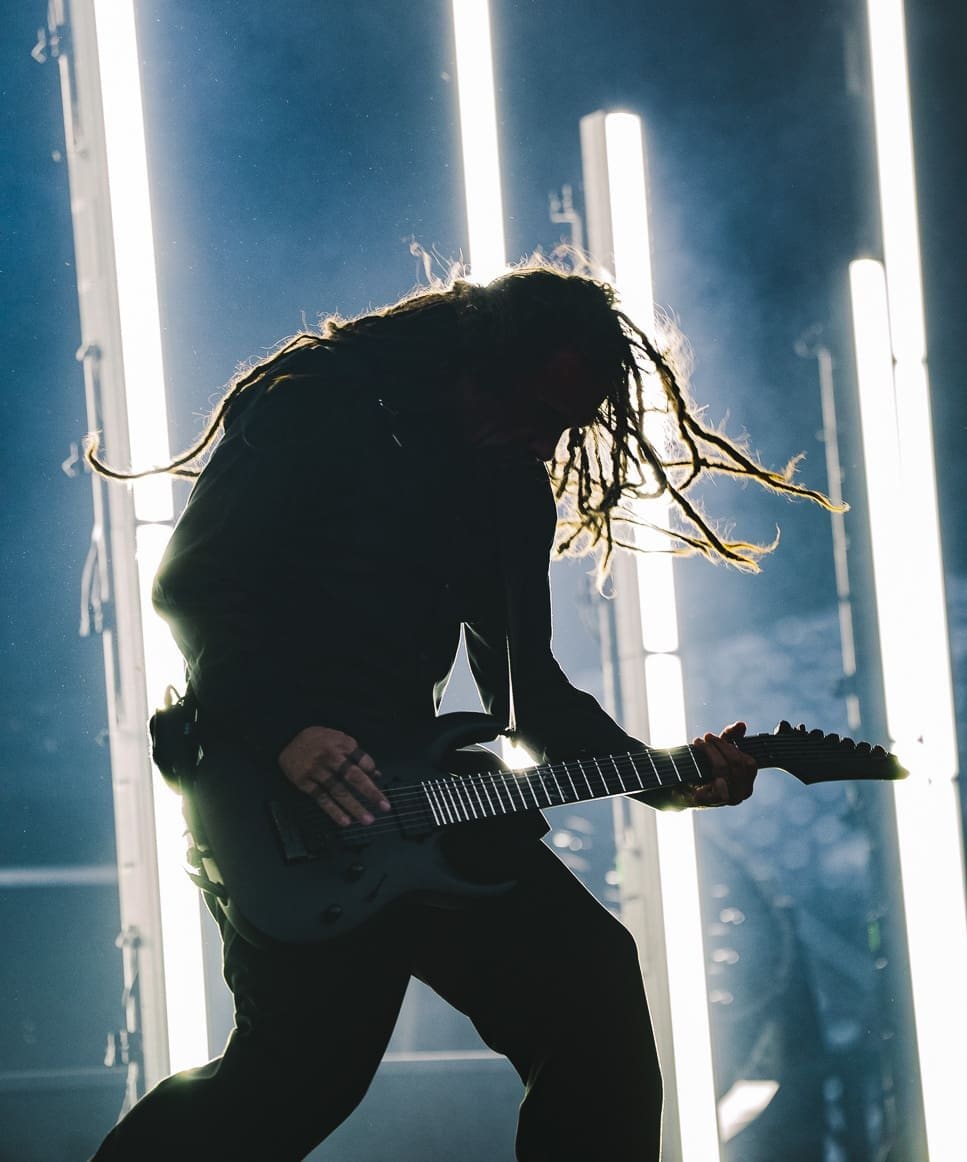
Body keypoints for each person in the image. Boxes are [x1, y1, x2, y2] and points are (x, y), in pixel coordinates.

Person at [87, 262, 832, 1161]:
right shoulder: (317, 405)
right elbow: (193, 585)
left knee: (592, 998)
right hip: (270, 797)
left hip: (416, 803)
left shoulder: (506, 484)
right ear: (477, 364)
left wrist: (669, 778)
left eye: (566, 426)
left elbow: (532, 692)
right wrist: (286, 730)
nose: (545, 443)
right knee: (294, 1082)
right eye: (536, 410)